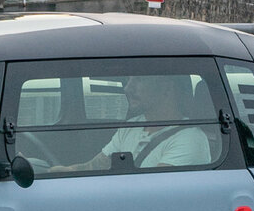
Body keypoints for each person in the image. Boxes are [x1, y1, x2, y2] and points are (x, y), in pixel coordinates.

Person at [49, 74, 210, 172]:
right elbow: (97, 166)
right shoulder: (132, 125)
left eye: (139, 80)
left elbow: (153, 190)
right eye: (128, 80)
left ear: (166, 88)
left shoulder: (190, 139)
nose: (128, 88)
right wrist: (65, 171)